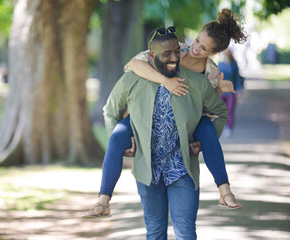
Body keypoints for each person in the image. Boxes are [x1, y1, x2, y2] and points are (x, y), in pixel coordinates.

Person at [83, 9, 247, 218]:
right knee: (116, 137)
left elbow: (209, 102)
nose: (195, 48)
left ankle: (224, 190)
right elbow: (134, 65)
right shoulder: (173, 47)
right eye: (197, 40)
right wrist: (165, 81)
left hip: (187, 122)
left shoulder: (211, 73)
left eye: (203, 48)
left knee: (207, 130)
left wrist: (219, 89)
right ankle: (103, 199)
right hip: (148, 113)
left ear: (212, 53)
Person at [96, 29, 227, 239]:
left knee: (185, 233)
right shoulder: (134, 78)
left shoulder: (200, 77)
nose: (174, 57)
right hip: (148, 170)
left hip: (182, 167)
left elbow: (219, 110)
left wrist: (203, 141)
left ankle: (225, 188)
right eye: (167, 53)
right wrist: (125, 144)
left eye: (176, 52)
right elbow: (110, 111)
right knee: (155, 232)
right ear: (151, 55)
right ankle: (103, 198)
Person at [218, 49, 244, 137]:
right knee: (221, 110)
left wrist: (239, 90)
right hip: (222, 92)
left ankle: (229, 127)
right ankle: (222, 126)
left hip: (231, 92)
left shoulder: (234, 65)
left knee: (230, 110)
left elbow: (237, 77)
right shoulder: (220, 64)